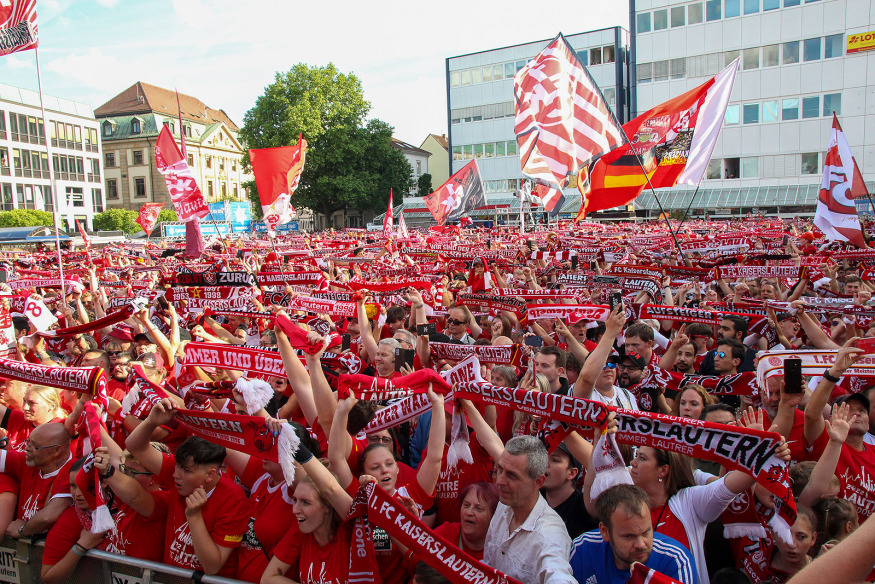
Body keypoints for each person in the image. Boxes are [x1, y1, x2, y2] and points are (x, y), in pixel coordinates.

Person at [125, 399, 250, 577]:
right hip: (170, 578)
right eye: (177, 466)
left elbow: (212, 566)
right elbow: (135, 447)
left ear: (210, 475)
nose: (176, 475)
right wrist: (151, 422)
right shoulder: (179, 473)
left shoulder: (234, 499)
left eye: (186, 471)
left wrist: (194, 517)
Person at [483, 435, 576, 583]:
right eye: (500, 470)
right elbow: (488, 565)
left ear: (538, 481)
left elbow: (558, 574)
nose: (499, 481)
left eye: (512, 476)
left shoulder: (550, 534)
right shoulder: (505, 503)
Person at [570, 484, 697, 584]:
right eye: (629, 536)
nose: (641, 544)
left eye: (646, 532)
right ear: (605, 531)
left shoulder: (675, 559)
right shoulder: (583, 549)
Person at [0, 422, 73, 538]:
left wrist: (21, 530)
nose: (26, 448)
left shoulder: (72, 471)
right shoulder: (30, 461)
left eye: (34, 446)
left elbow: (47, 517)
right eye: (28, 442)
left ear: (57, 451)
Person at [541, 443, 597, 540]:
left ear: (572, 473)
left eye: (555, 460)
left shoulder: (585, 509)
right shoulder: (533, 497)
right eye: (544, 457)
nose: (545, 463)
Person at [432, 481, 498, 561]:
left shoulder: (500, 551)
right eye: (466, 505)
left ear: (494, 516)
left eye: (478, 508)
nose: (469, 512)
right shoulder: (445, 534)